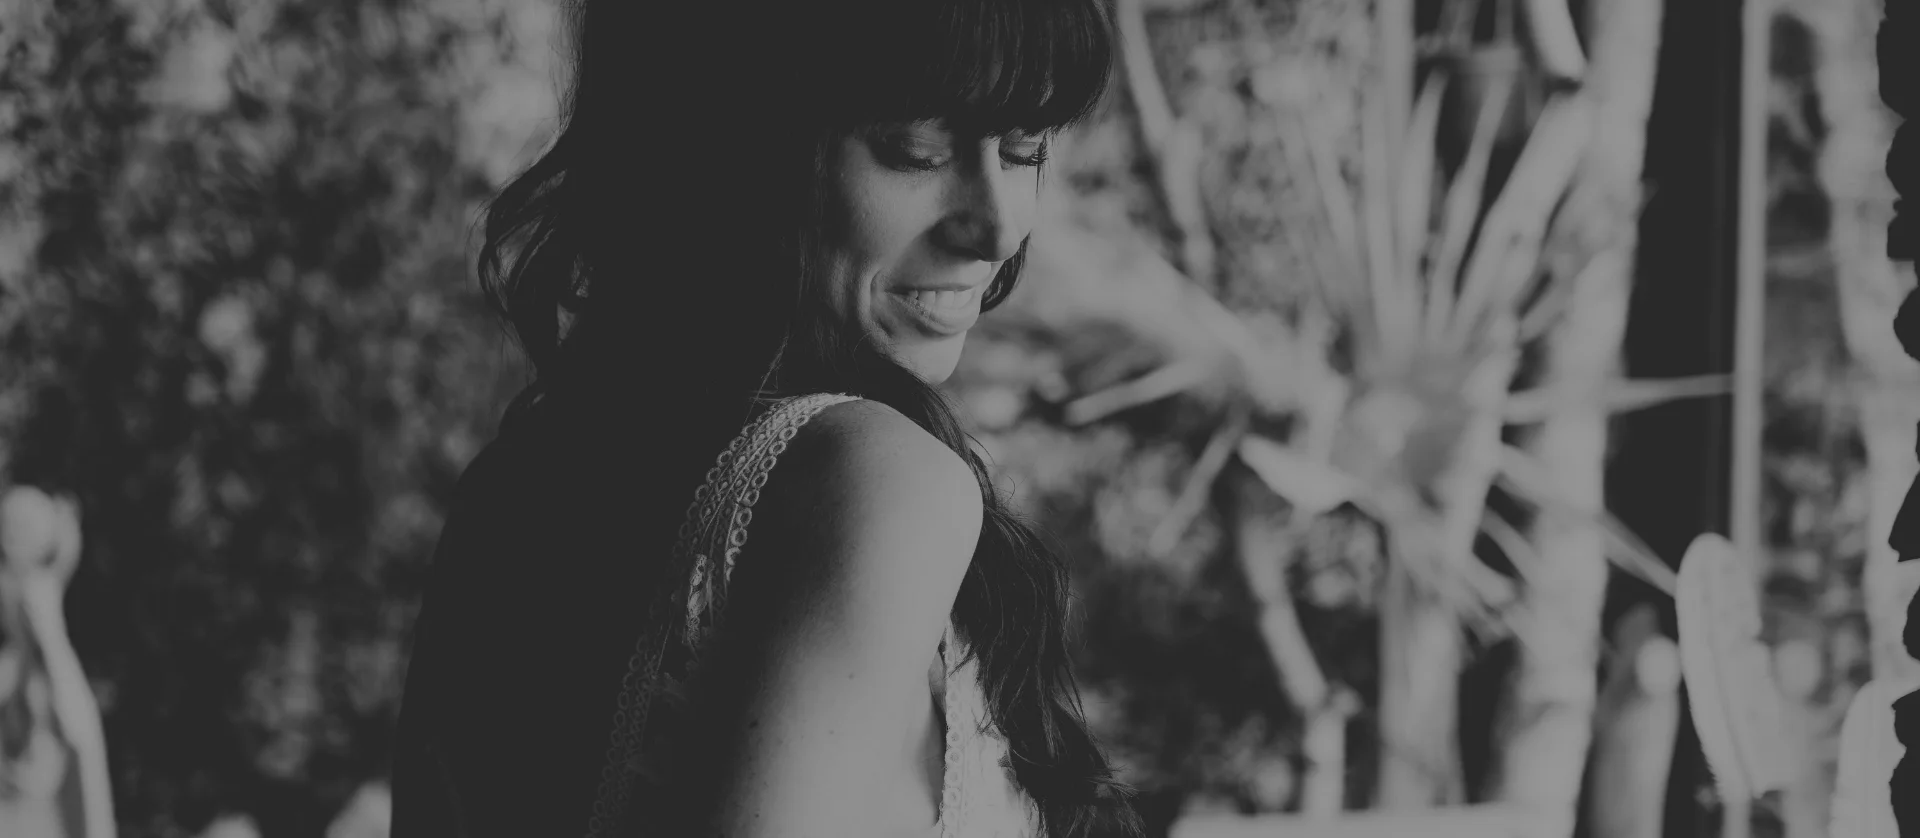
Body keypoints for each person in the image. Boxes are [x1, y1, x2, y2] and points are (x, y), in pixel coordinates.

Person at [389, 1, 1144, 836]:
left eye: (1024, 148)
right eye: (915, 150)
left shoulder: (513, 486)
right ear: (743, 147)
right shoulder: (876, 482)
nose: (997, 225)